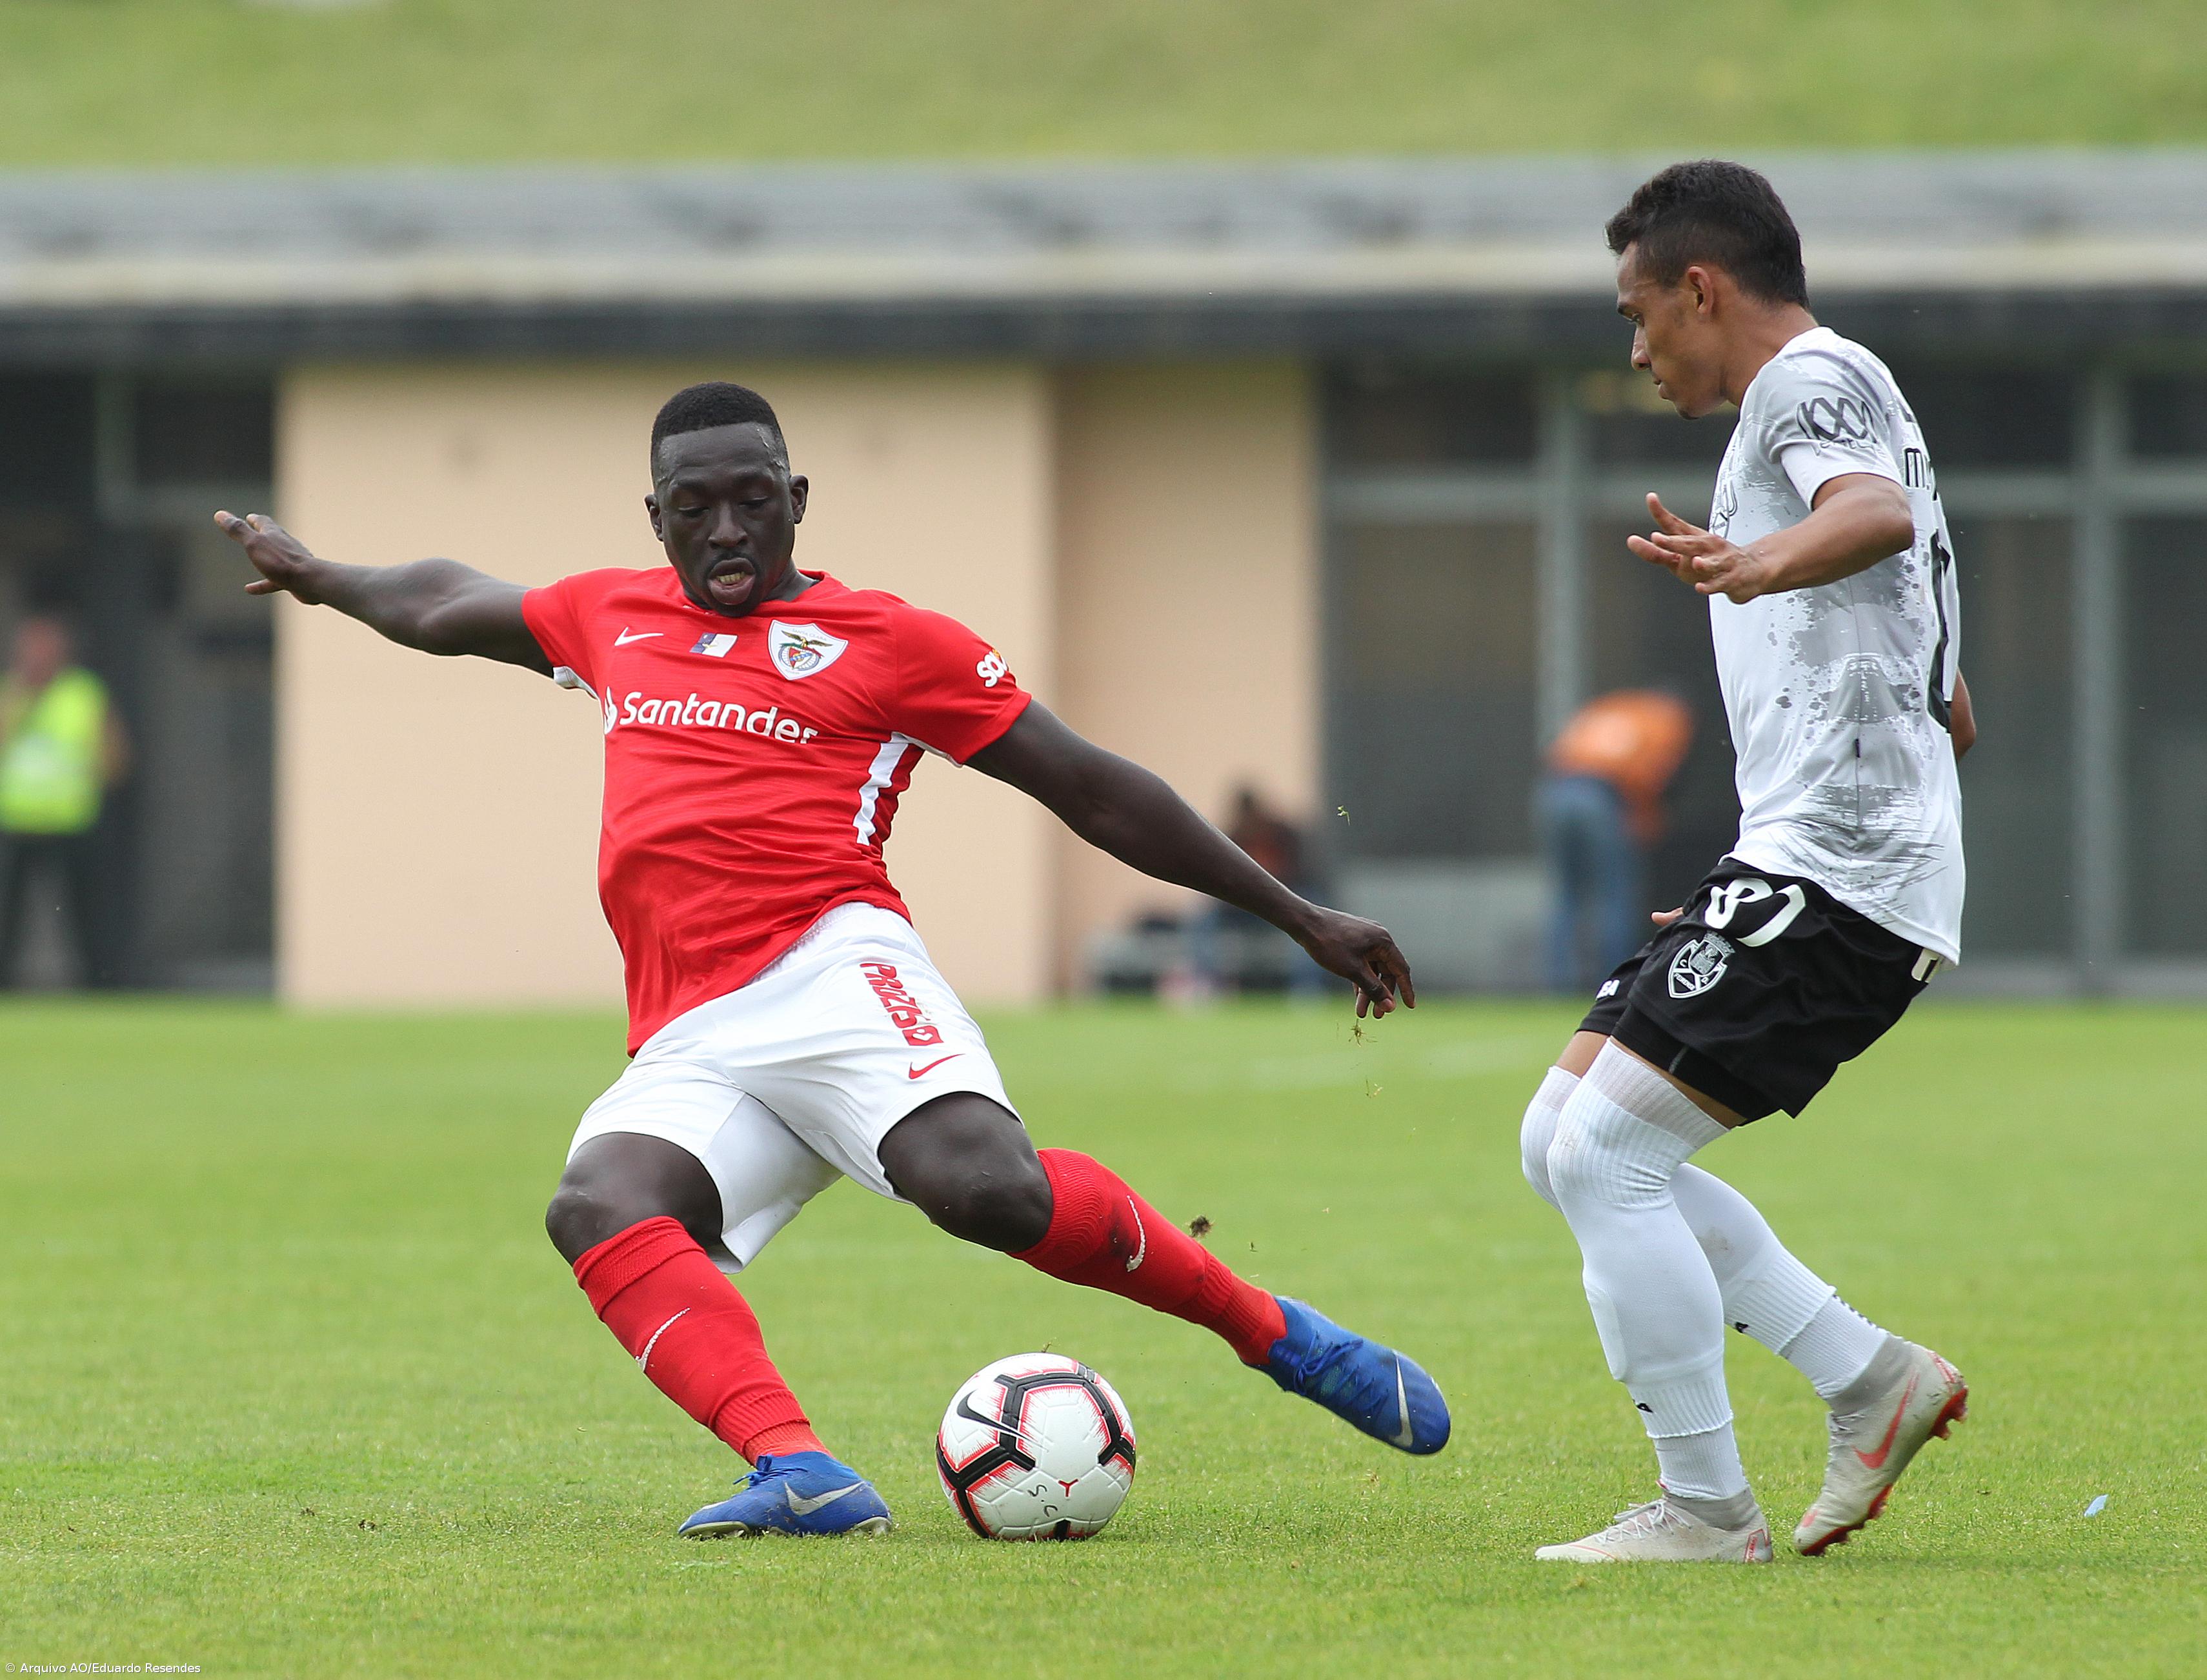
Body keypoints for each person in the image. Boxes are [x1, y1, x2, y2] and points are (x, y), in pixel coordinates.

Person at [213, 381, 1444, 1541]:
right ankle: (797, 1468)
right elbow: (443, 601)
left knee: (987, 1191)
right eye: (694, 507)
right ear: (657, 518)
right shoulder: (609, 612)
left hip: (833, 969)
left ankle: (1276, 1333)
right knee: (596, 1203)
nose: (728, 527)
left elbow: (1091, 785)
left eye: (754, 496)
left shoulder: (892, 641)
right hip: (694, 1030)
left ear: (799, 497)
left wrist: (1298, 914)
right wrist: (322, 576)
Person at [1517, 161, 1978, 1564]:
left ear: (1702, 289)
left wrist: (1754, 565)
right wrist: (1760, 865)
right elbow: (1949, 693)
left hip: (1844, 872)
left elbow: (1872, 516)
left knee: (1607, 1155)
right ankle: (1865, 1377)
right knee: (1562, 1141)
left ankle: (1709, 1513)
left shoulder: (1809, 382)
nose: (1638, 348)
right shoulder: (1830, 395)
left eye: (1640, 314)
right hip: (1813, 859)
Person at [0, 614, 128, 988]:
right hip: (16, 823)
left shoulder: (85, 693)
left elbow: (117, 759)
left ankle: (99, 988)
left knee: (86, 916)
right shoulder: (9, 693)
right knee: (9, 917)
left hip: (73, 823)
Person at [1539, 689, 1693, 991]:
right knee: (1615, 893)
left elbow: (1557, 752)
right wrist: (1647, 818)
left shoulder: (1610, 706)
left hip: (1557, 792)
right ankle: (1615, 983)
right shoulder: (1667, 719)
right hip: (1602, 796)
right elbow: (1650, 777)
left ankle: (1558, 985)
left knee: (1568, 895)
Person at [1187, 784, 1328, 997]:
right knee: (1204, 923)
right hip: (1243, 909)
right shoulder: (1229, 840)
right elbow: (1218, 879)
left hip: (1283, 905)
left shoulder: (1283, 836)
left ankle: (1307, 990)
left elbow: (1304, 874)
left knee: (1314, 918)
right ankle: (1208, 984)